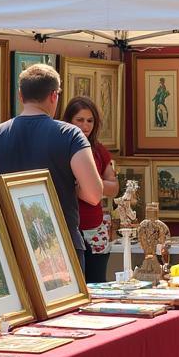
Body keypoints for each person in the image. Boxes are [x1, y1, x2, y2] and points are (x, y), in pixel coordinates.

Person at [0, 64, 102, 265]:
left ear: (21, 95)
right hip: (60, 246)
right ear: (54, 96)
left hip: (11, 246)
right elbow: (93, 194)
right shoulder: (70, 134)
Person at [62, 96, 120, 284]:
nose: (85, 126)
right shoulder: (60, 148)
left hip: (94, 227)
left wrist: (88, 184)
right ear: (69, 120)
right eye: (79, 120)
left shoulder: (98, 150)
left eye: (90, 121)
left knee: (97, 283)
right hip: (67, 227)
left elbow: (114, 188)